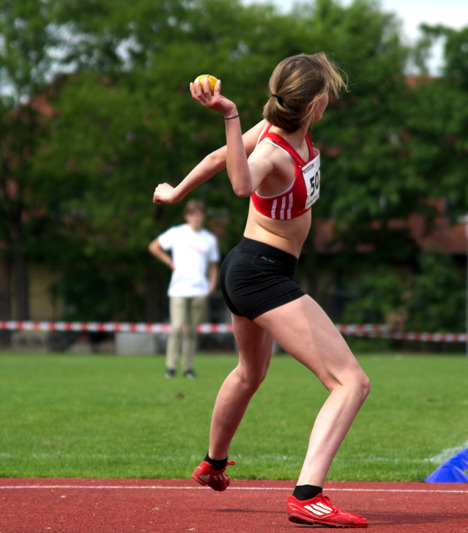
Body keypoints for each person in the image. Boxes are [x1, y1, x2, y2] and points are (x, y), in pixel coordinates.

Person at [152, 53, 370, 528]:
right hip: (261, 274)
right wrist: (229, 115)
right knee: (350, 382)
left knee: (250, 373)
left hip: (247, 267)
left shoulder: (279, 130)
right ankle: (307, 494)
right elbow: (238, 181)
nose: (330, 97)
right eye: (327, 91)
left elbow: (216, 157)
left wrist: (176, 192)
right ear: (314, 105)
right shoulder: (272, 147)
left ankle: (213, 463)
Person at [148, 199, 219, 378]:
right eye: (193, 214)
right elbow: (154, 246)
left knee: (193, 331)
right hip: (178, 288)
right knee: (177, 327)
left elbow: (213, 266)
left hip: (199, 290)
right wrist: (169, 262)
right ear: (187, 216)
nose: (196, 218)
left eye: (199, 214)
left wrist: (211, 285)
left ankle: (188, 368)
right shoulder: (176, 233)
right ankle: (171, 367)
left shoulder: (209, 239)